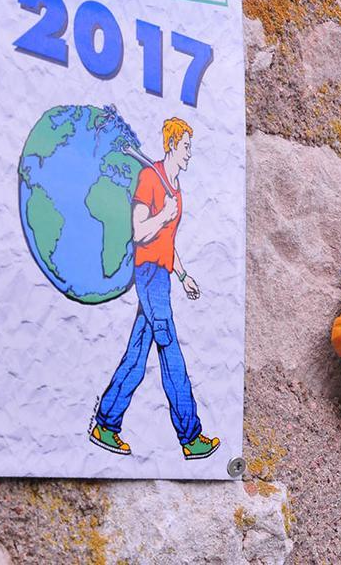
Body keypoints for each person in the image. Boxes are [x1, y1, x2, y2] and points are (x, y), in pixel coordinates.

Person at [90, 117, 219, 460]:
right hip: (148, 274)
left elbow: (166, 243)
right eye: (186, 146)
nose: (190, 153)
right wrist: (163, 215)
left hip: (162, 275)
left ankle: (106, 423)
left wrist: (184, 275)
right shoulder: (150, 178)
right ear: (172, 146)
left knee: (138, 352)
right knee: (171, 350)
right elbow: (139, 232)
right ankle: (191, 436)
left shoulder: (174, 187)